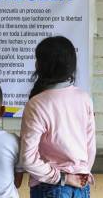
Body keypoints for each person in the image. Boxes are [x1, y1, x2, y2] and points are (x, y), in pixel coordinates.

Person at [20, 36, 96, 198]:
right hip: (81, 186)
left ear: (41, 66)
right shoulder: (84, 98)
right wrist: (80, 174)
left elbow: (28, 159)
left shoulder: (37, 103)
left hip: (51, 188)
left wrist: (63, 178)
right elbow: (90, 147)